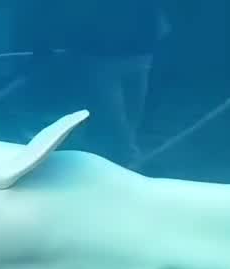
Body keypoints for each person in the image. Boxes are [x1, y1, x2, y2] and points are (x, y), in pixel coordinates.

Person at [15, 0, 170, 165]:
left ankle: (117, 163)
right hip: (103, 56)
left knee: (127, 122)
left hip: (135, 53)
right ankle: (125, 165)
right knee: (117, 126)